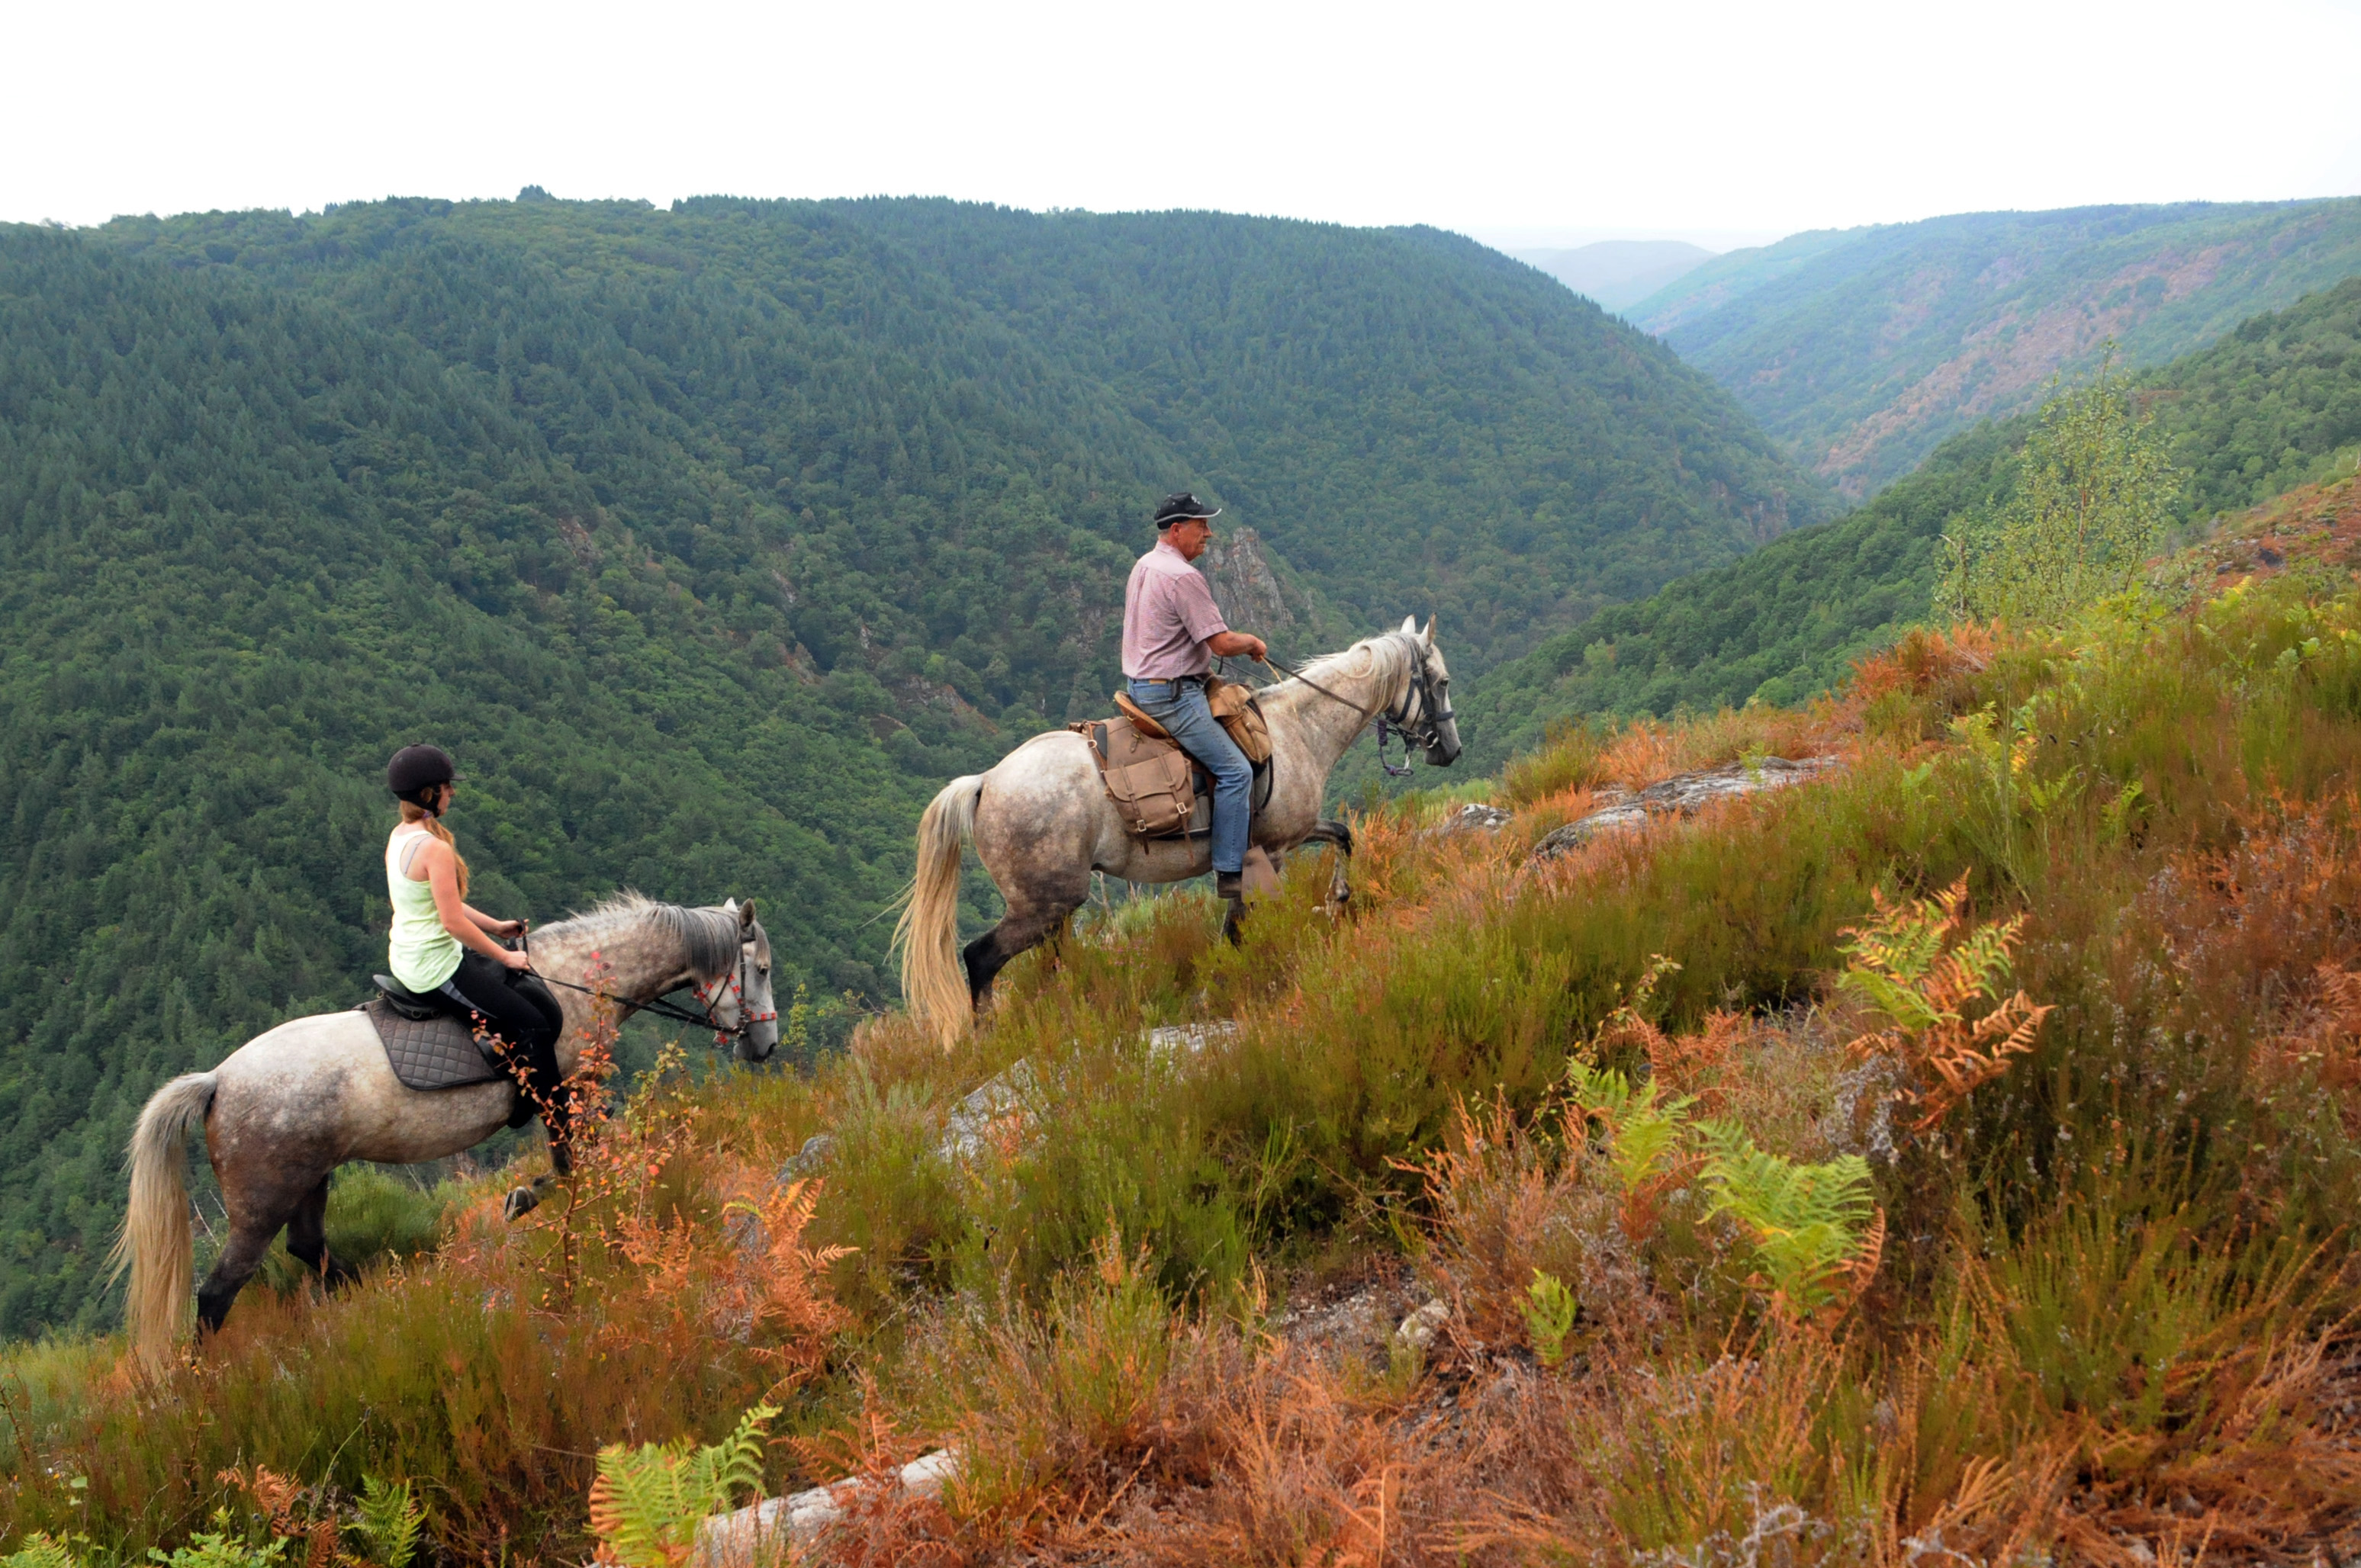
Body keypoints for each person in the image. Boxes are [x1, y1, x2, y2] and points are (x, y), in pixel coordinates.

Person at [382, 744, 568, 1139]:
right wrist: (505, 955)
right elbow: (451, 922)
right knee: (532, 1024)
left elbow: (444, 904)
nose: (453, 793)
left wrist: (497, 926)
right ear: (430, 793)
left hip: (411, 953)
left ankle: (530, 1092)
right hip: (435, 969)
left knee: (526, 1003)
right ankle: (565, 1127)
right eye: (447, 787)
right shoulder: (435, 848)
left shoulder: (401, 836)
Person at [1120, 492, 1269, 921]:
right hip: (1173, 697)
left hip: (1141, 686)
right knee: (1236, 770)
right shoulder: (1183, 577)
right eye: (1202, 525)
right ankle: (1228, 871)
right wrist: (1254, 643)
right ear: (1177, 529)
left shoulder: (1144, 565)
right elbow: (1221, 643)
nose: (1209, 533)